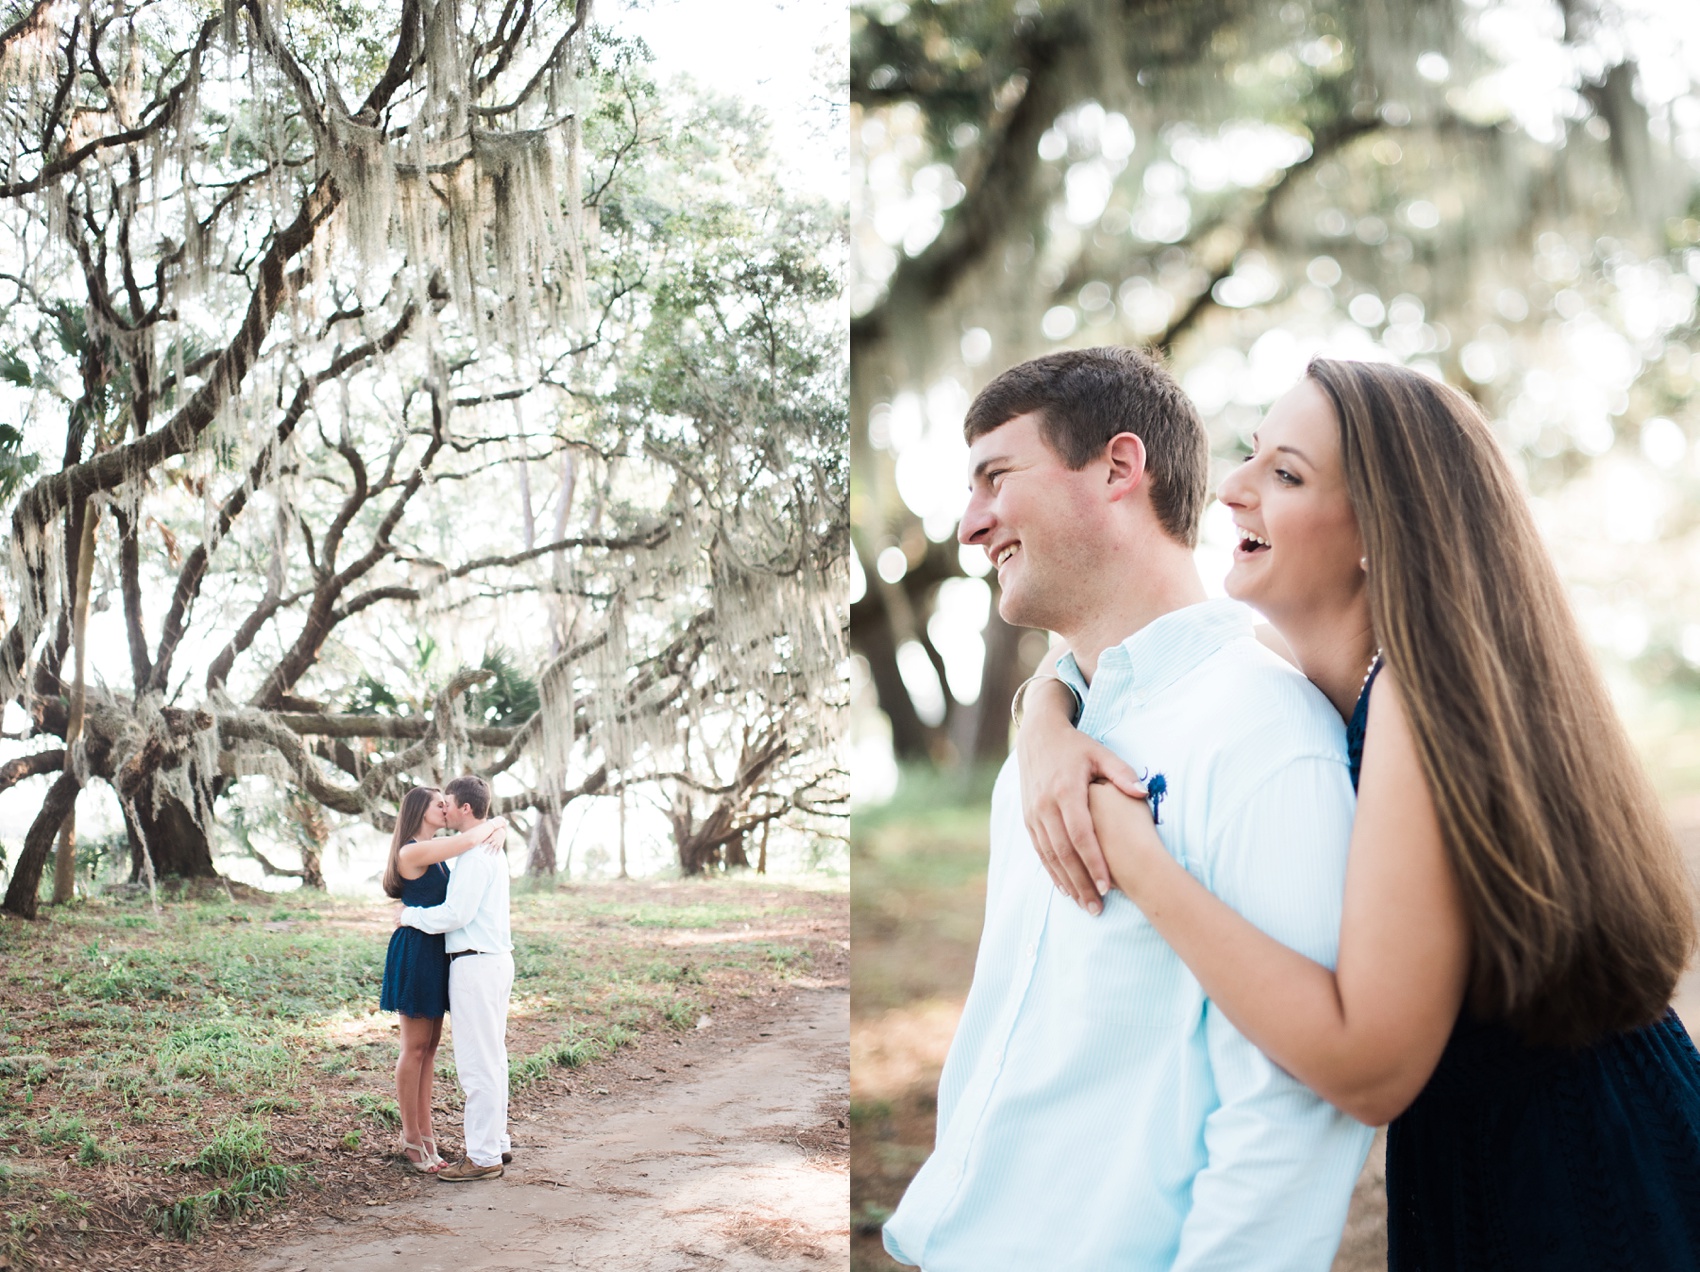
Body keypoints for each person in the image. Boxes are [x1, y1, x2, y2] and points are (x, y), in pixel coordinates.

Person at [1017, 358, 1700, 1269]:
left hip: (1579, 1185)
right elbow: (1114, 661)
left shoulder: (1416, 709)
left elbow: (1370, 1067)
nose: (1232, 488)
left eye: (1285, 474)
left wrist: (1137, 861)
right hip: (1499, 1155)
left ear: (1380, 534)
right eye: (1252, 455)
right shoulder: (1337, 686)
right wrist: (1044, 721)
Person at [881, 347, 1373, 1272]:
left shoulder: (1264, 731)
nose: (972, 525)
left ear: (1118, 468)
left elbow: (1287, 1121)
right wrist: (1045, 710)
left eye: (996, 476)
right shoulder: (1045, 740)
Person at [379, 785, 508, 1173]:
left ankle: (427, 1134)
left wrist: (498, 825)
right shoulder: (413, 850)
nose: (444, 807)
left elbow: (472, 834)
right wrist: (497, 824)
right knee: (414, 1048)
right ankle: (412, 1139)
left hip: (437, 950)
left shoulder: (440, 849)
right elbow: (472, 835)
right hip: (417, 949)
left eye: (447, 802)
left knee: (430, 1048)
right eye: (439, 803)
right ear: (420, 809)